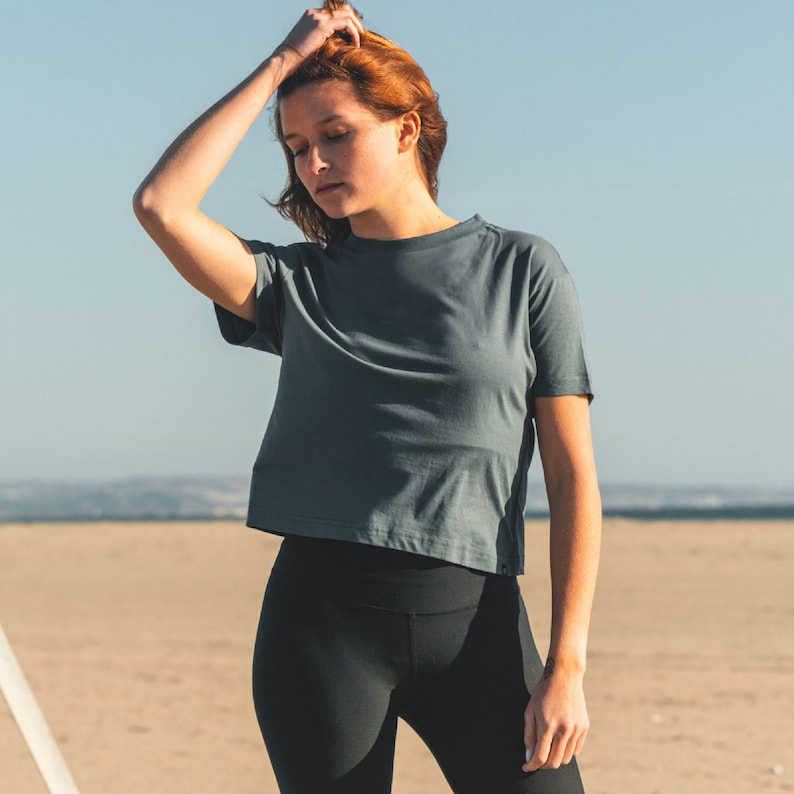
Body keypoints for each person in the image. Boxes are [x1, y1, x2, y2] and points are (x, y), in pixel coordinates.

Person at [133, 2, 602, 792]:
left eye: (336, 134)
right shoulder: (295, 284)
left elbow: (572, 477)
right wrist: (282, 63)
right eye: (296, 148)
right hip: (323, 633)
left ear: (407, 129)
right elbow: (162, 206)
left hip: (479, 622)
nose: (313, 163)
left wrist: (568, 664)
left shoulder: (524, 270)